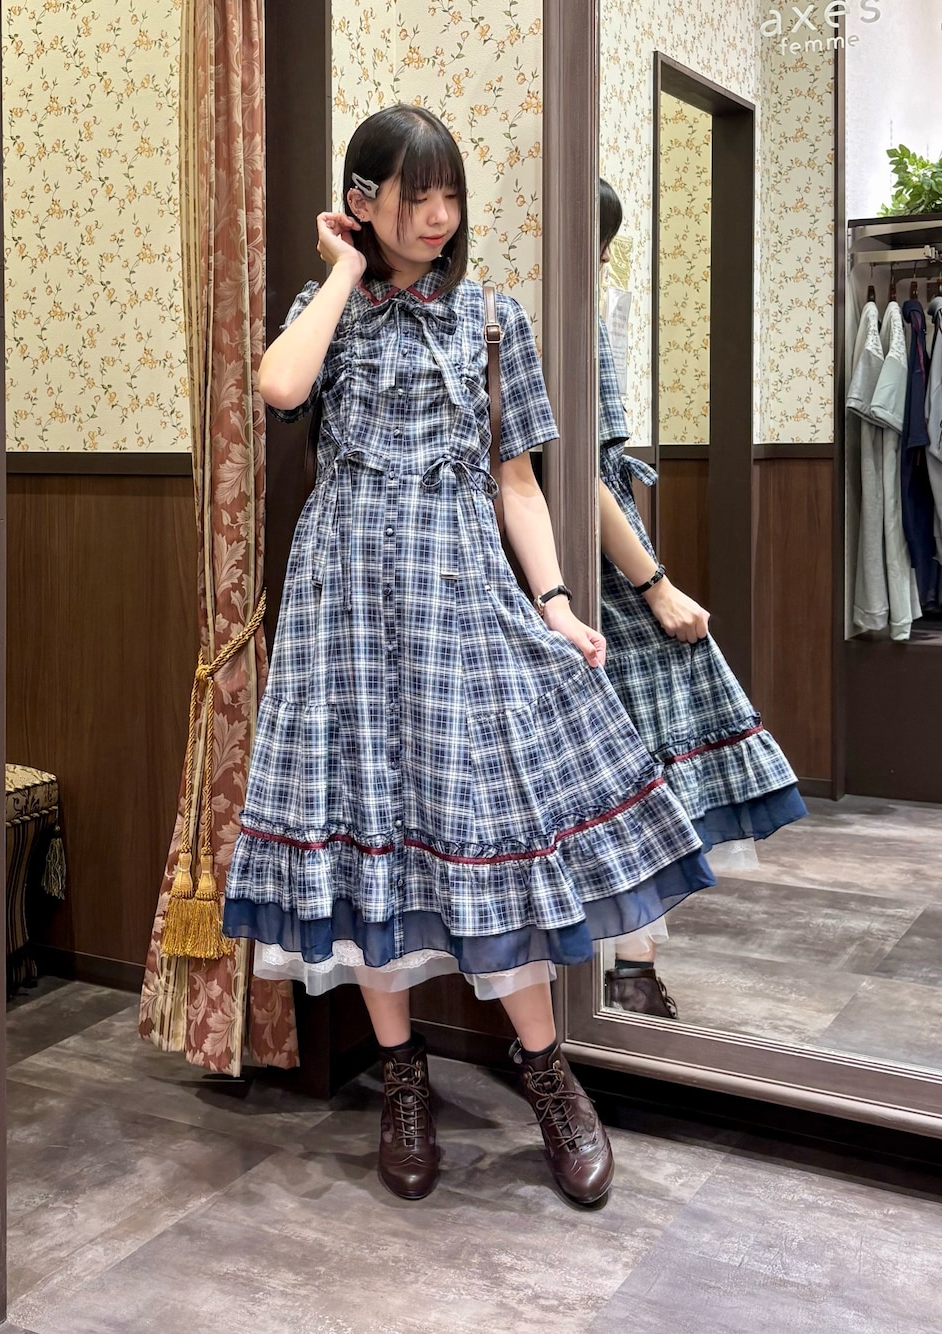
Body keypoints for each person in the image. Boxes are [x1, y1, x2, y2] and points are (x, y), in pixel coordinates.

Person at [221, 106, 716, 1209]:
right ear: (363, 201)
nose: (437, 216)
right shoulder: (326, 307)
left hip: (458, 591)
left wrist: (554, 602)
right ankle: (403, 1078)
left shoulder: (492, 318)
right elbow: (280, 388)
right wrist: (344, 271)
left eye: (449, 196)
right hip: (344, 603)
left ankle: (548, 1074)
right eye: (414, 196)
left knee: (490, 823)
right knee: (369, 827)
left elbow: (517, 482)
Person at [595, 179, 807, 1018]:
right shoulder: (546, 316)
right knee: (635, 747)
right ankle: (628, 970)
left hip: (591, 542)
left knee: (633, 750)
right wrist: (654, 585)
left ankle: (631, 965)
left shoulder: (569, 310)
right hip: (581, 553)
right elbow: (572, 469)